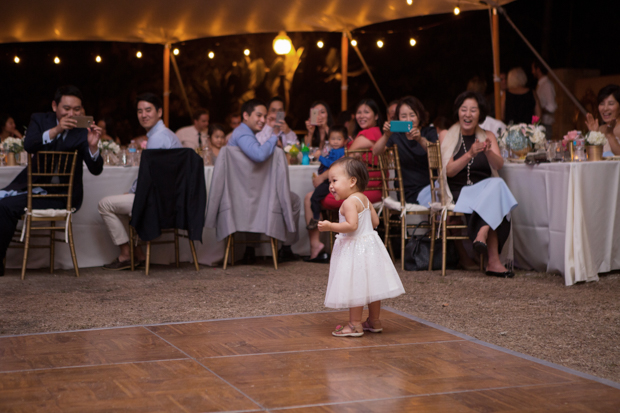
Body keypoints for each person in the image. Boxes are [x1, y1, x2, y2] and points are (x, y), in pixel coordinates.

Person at [0, 85, 103, 277]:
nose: (71, 113)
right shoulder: (40, 120)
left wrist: (93, 147)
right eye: (66, 108)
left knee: (5, 206)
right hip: (33, 187)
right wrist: (55, 130)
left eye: (76, 109)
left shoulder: (82, 132)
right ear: (55, 106)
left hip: (63, 196)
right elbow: (30, 145)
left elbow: (96, 170)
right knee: (3, 202)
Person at [318, 157, 405, 337]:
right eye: (329, 182)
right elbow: (375, 222)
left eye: (334, 180)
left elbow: (351, 226)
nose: (331, 186)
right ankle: (374, 321)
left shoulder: (348, 202)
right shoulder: (364, 199)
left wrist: (330, 226)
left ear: (352, 181)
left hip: (354, 249)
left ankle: (355, 324)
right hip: (371, 248)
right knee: (372, 287)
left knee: (355, 287)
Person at [98, 93, 182, 270]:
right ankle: (138, 253)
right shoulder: (167, 134)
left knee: (105, 204)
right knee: (119, 205)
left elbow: (149, 175)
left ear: (159, 112)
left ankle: (126, 254)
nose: (143, 115)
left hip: (158, 201)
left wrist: (133, 192)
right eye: (139, 111)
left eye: (148, 110)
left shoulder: (158, 138)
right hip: (170, 199)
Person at [440, 91, 518, 278]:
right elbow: (448, 171)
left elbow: (498, 165)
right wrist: (470, 154)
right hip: (459, 193)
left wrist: (489, 152)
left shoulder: (487, 135)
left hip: (485, 192)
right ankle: (493, 260)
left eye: (473, 110)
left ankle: (483, 239)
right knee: (496, 190)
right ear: (458, 112)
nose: (468, 114)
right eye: (464, 109)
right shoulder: (449, 135)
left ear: (480, 114)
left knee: (495, 186)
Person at [304, 98, 383, 263]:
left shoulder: (367, 134)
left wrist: (322, 178)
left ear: (376, 116)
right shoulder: (373, 133)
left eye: (366, 112)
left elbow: (342, 165)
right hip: (368, 188)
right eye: (359, 112)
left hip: (362, 188)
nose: (361, 115)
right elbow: (375, 222)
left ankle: (315, 246)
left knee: (309, 198)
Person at [228, 98, 301, 263]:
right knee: (294, 200)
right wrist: (274, 137)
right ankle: (285, 248)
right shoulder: (243, 133)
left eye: (264, 116)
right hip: (251, 194)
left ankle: (252, 249)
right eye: (258, 115)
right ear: (245, 115)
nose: (262, 119)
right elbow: (260, 155)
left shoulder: (244, 132)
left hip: (246, 191)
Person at [372, 96, 438, 204]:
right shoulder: (396, 135)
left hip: (432, 187)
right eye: (403, 116)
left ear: (420, 116)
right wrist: (386, 135)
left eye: (412, 115)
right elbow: (376, 152)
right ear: (398, 118)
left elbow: (436, 154)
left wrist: (420, 139)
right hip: (408, 191)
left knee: (443, 193)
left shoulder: (429, 132)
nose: (408, 120)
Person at [306, 126, 347, 230]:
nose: (335, 142)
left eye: (339, 139)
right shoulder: (333, 150)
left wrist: (320, 157)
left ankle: (316, 218)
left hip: (330, 181)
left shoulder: (340, 152)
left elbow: (333, 164)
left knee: (314, 198)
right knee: (316, 197)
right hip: (328, 180)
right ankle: (320, 217)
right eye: (333, 139)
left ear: (345, 141)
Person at [585, 84, 620, 156]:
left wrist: (610, 135)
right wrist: (593, 134)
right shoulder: (600, 129)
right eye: (602, 103)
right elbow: (590, 158)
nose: (605, 108)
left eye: (611, 104)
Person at [532, 61, 557, 138]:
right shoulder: (540, 84)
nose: (532, 72)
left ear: (538, 69)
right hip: (540, 124)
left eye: (533, 69)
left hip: (546, 125)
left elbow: (552, 107)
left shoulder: (547, 85)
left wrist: (538, 110)